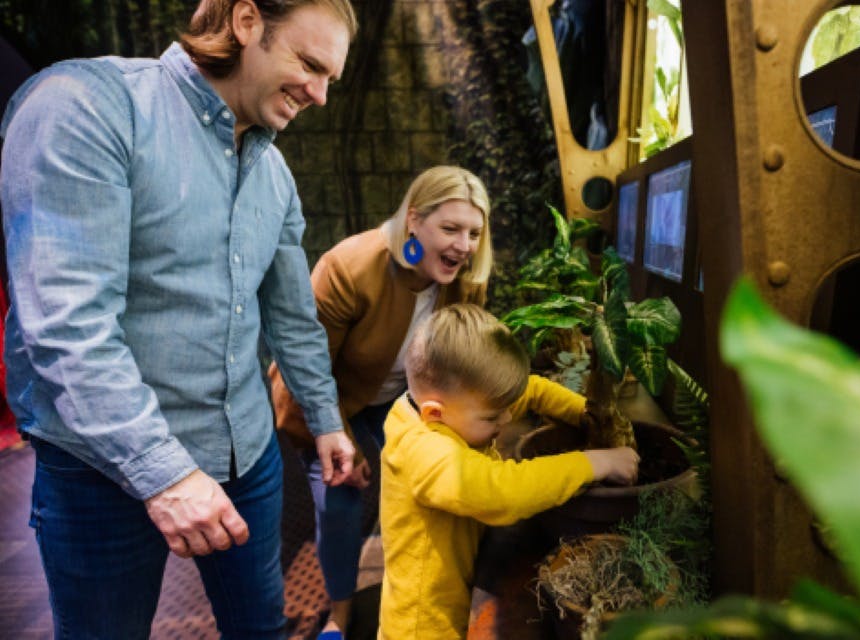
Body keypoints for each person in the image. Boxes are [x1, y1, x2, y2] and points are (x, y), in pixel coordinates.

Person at [0, 1, 359, 637]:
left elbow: (292, 317)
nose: (321, 95)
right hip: (102, 471)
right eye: (309, 64)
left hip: (247, 453)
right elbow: (67, 327)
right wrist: (165, 473)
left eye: (330, 77)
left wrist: (325, 419)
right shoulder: (88, 107)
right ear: (246, 22)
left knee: (262, 629)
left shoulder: (273, 172)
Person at [269, 164, 492, 639]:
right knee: (341, 501)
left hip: (401, 399)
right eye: (450, 229)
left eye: (474, 233)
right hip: (329, 402)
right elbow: (306, 374)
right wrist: (343, 446)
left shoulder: (466, 277)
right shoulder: (350, 267)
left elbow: (462, 360)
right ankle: (340, 613)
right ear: (414, 220)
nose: (463, 245)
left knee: (443, 478)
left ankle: (432, 590)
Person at [378, 304, 640, 639]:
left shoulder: (453, 408)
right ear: (435, 414)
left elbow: (532, 390)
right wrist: (596, 462)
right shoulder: (422, 451)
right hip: (423, 622)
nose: (506, 419)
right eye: (492, 417)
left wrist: (590, 415)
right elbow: (500, 491)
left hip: (457, 586)